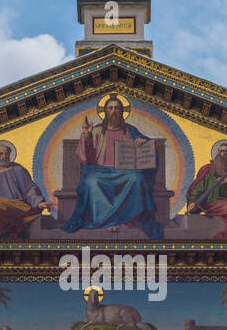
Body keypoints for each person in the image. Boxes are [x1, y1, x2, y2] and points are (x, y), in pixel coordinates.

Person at [60, 95, 164, 239]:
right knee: (91, 181)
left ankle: (127, 221)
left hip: (124, 172)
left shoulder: (130, 131)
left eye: (117, 108)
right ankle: (105, 221)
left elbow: (147, 147)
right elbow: (87, 159)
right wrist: (88, 136)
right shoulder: (96, 131)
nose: (114, 111)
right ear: (105, 111)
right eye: (111, 108)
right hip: (100, 171)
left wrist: (143, 140)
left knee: (137, 178)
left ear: (122, 111)